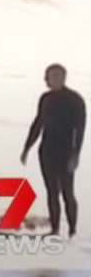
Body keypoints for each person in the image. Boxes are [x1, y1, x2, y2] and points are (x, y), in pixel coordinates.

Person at [21, 64, 85, 237]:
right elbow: (38, 124)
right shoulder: (46, 98)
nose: (47, 80)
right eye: (46, 77)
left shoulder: (75, 100)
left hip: (65, 151)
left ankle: (72, 230)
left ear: (62, 78)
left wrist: (75, 154)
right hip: (47, 150)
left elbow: (80, 129)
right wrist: (27, 148)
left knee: (67, 191)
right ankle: (55, 229)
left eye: (50, 77)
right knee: (51, 191)